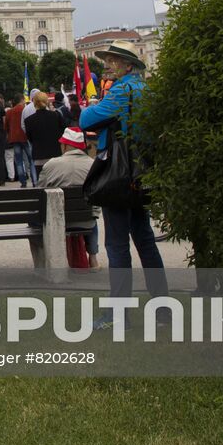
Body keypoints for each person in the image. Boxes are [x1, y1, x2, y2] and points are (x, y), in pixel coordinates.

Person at [78, 40, 166, 329]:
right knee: (145, 239)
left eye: (115, 60)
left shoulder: (120, 91)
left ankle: (119, 315)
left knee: (116, 245)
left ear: (129, 65)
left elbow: (86, 118)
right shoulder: (145, 89)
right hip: (141, 171)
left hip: (119, 173)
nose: (109, 64)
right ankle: (162, 311)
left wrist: (95, 106)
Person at [38, 126, 101, 270]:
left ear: (66, 145)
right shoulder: (93, 165)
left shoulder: (51, 164)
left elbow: (39, 190)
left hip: (58, 221)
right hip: (86, 221)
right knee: (92, 216)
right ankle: (93, 259)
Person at [24, 89, 66, 176]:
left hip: (39, 156)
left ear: (34, 103)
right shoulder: (56, 116)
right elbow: (63, 132)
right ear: (47, 102)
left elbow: (30, 138)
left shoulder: (29, 120)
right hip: (55, 154)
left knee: (42, 183)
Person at [5, 91, 32, 188]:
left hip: (14, 138)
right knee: (30, 159)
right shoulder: (25, 110)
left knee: (19, 160)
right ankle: (34, 180)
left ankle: (22, 182)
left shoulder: (9, 112)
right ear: (22, 100)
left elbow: (6, 127)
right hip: (25, 137)